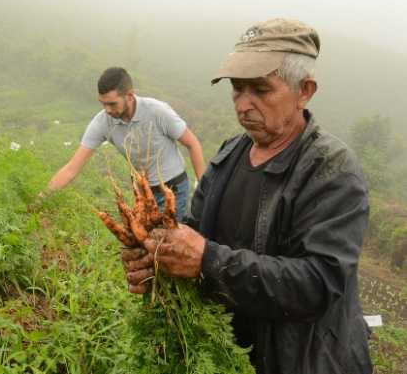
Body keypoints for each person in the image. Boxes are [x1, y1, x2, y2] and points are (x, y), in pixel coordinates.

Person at [122, 19, 372, 374]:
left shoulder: (332, 170)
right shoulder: (230, 154)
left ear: (305, 90)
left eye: (260, 90)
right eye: (237, 90)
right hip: (227, 356)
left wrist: (208, 261)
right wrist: (159, 256)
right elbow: (194, 231)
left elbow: (318, 282)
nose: (243, 105)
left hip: (300, 361)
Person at [42, 67, 205, 220]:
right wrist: (42, 198)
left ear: (129, 95)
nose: (107, 109)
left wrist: (205, 190)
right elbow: (72, 168)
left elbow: (192, 144)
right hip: (142, 193)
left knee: (169, 243)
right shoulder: (103, 122)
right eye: (103, 103)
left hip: (173, 189)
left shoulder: (157, 111)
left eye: (112, 104)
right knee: (145, 243)